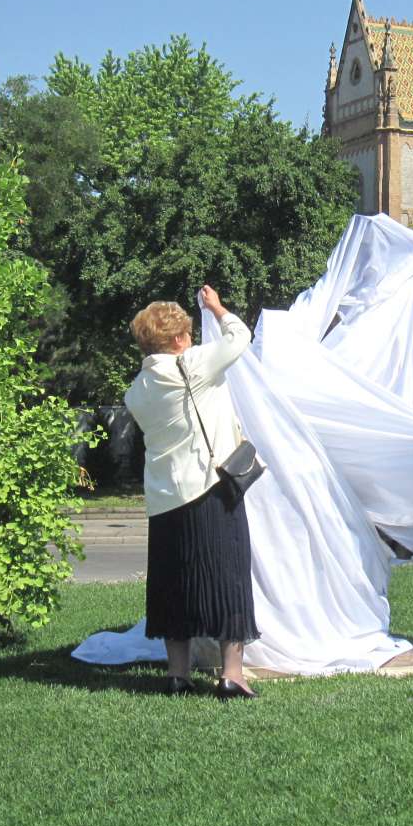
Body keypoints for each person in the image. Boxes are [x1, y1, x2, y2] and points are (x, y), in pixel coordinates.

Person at [124, 285, 260, 698]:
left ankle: (177, 675)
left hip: (165, 498)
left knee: (173, 584)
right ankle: (231, 675)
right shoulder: (196, 364)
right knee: (228, 579)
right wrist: (217, 308)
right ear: (180, 338)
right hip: (212, 487)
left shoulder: (136, 392)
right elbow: (240, 337)